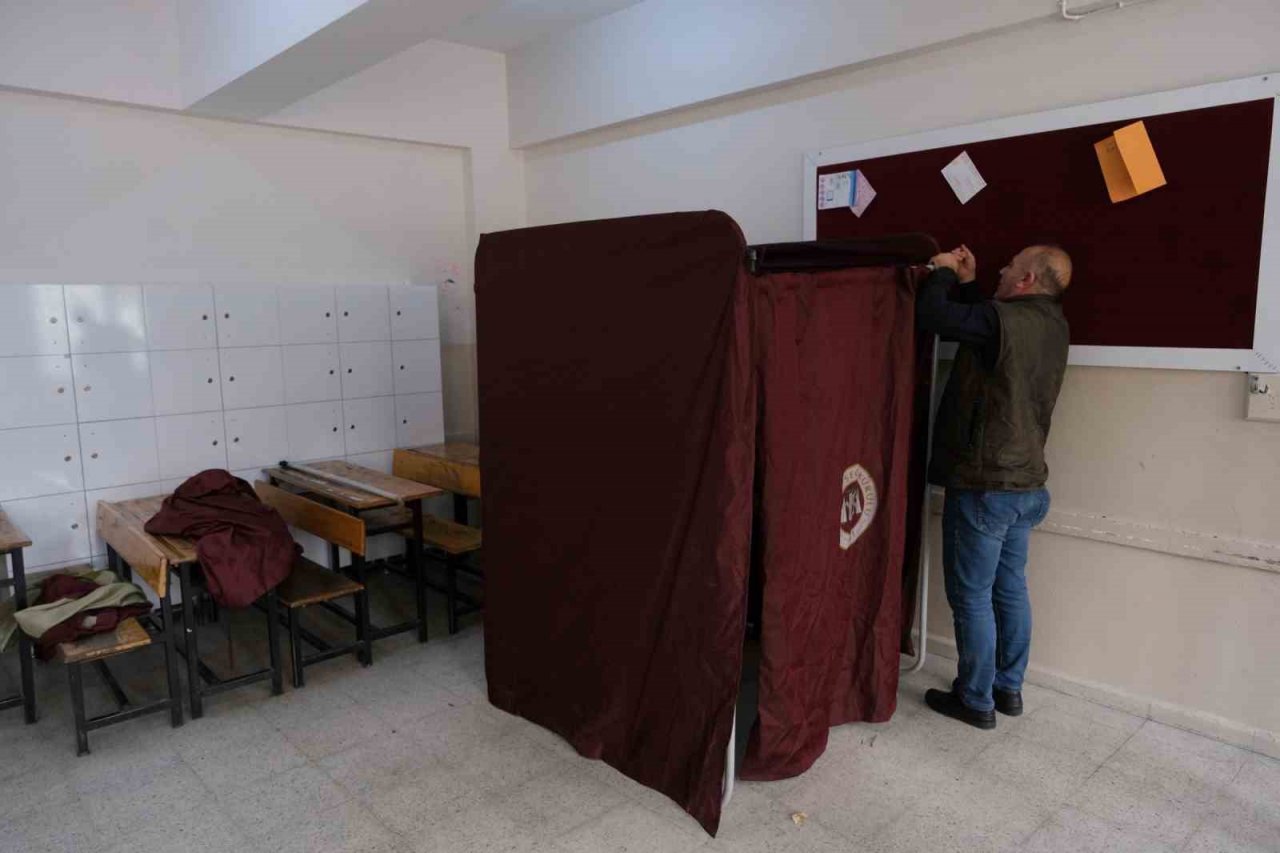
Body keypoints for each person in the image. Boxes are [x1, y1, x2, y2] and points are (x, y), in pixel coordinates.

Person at [916, 243, 1071, 729]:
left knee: (972, 597)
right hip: (1027, 485)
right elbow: (983, 331)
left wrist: (941, 272)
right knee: (1010, 589)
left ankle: (975, 699)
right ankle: (1008, 688)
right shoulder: (1054, 324)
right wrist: (969, 283)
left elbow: (933, 316)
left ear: (1026, 280)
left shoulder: (1000, 320)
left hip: (985, 484)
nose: (1002, 269)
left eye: (1010, 266)